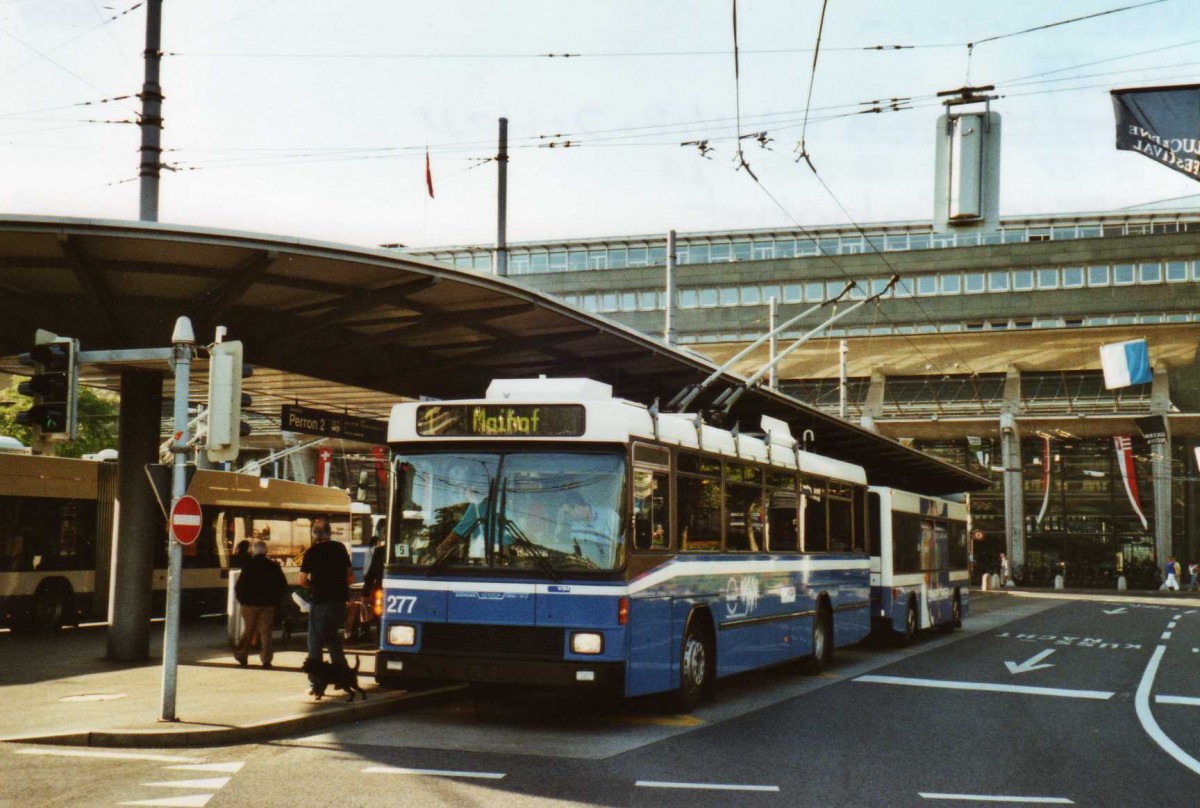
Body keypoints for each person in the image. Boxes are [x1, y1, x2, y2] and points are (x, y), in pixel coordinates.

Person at [299, 514, 354, 691]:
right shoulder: (340, 548)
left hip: (320, 602)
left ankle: (315, 681)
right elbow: (350, 576)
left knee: (315, 642)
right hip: (338, 602)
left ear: (315, 534)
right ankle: (341, 677)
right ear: (329, 533)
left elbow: (301, 580)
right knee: (333, 640)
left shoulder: (311, 552)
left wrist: (312, 587)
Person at [233, 540, 288, 668]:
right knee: (266, 632)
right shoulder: (274, 566)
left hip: (249, 604)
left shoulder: (248, 565)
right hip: (268, 604)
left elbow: (239, 587)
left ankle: (242, 655)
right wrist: (274, 600)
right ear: (266, 551)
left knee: (249, 630)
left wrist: (242, 600)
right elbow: (283, 586)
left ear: (253, 551)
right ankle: (266, 659)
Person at [559, 491, 619, 567]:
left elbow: (622, 541)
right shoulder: (575, 525)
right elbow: (575, 549)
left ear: (577, 507)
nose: (570, 516)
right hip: (588, 567)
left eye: (568, 512)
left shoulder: (609, 515)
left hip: (613, 566)